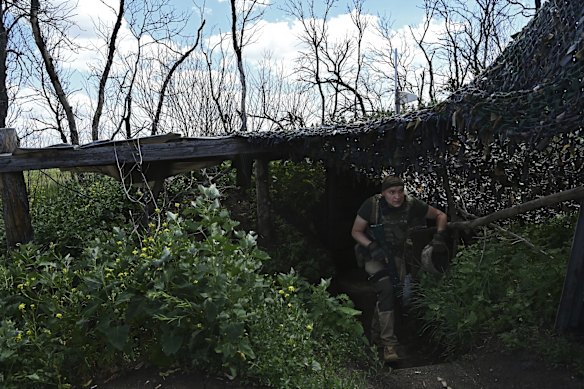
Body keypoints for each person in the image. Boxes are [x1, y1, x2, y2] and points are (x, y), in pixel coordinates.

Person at [351, 175, 448, 362]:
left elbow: (440, 215)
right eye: (391, 192)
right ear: (383, 193)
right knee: (386, 289)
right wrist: (372, 246)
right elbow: (356, 231)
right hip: (375, 257)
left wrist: (439, 237)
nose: (397, 196)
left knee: (393, 296)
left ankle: (376, 337)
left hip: (397, 257)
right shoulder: (372, 205)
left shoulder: (411, 204)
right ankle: (389, 345)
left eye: (400, 191)